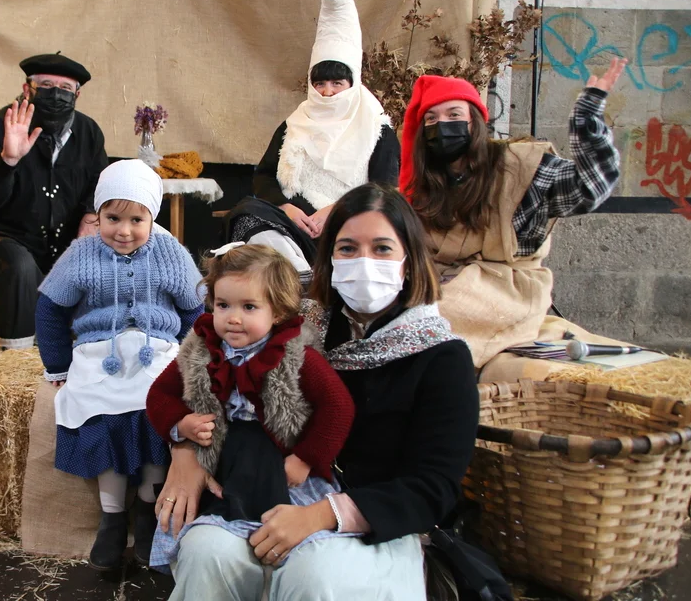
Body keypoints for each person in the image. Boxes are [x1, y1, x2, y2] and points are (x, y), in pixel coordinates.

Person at [155, 184, 479, 600]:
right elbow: (199, 386)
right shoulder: (287, 329)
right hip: (260, 498)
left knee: (314, 574)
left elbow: (434, 487)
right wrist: (185, 452)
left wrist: (323, 515)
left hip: (370, 525)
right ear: (328, 258)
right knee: (206, 552)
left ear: (410, 261)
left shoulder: (441, 356)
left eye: (382, 248)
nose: (363, 261)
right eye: (347, 248)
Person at [145, 243, 355, 577]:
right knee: (211, 524)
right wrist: (181, 424)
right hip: (224, 459)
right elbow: (160, 395)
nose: (233, 318)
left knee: (285, 530)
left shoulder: (295, 355)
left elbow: (338, 406)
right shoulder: (202, 350)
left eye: (249, 307)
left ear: (277, 312)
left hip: (277, 462)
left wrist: (306, 458)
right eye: (223, 305)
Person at [399, 58, 626, 366]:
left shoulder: (520, 168)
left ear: (475, 121)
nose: (442, 126)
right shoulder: (425, 183)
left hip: (507, 289)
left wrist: (587, 116)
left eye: (454, 115)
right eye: (431, 119)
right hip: (438, 278)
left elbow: (591, 186)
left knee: (424, 322)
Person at [35, 159, 204, 571]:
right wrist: (57, 366)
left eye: (136, 220)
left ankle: (147, 508)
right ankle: (111, 517)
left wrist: (187, 356)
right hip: (100, 353)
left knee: (157, 416)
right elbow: (50, 309)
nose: (124, 231)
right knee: (101, 417)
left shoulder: (170, 252)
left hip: (156, 352)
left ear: (152, 218)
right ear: (98, 216)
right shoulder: (81, 253)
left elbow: (195, 309)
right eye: (112, 219)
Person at [226, 0, 399, 280]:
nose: (327, 92)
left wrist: (335, 210)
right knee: (246, 212)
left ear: (352, 83)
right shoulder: (294, 123)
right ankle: (299, 273)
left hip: (347, 224)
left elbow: (382, 191)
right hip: (291, 225)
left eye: (336, 83)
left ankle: (295, 272)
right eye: (320, 83)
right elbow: (264, 176)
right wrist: (287, 208)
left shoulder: (376, 129)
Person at [0, 53, 109, 350]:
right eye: (46, 85)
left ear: (77, 95)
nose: (56, 94)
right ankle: (16, 357)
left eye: (65, 88)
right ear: (27, 89)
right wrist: (8, 161)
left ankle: (90, 353)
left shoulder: (89, 132)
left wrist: (90, 216)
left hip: (68, 240)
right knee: (21, 267)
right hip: (9, 237)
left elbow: (100, 182)